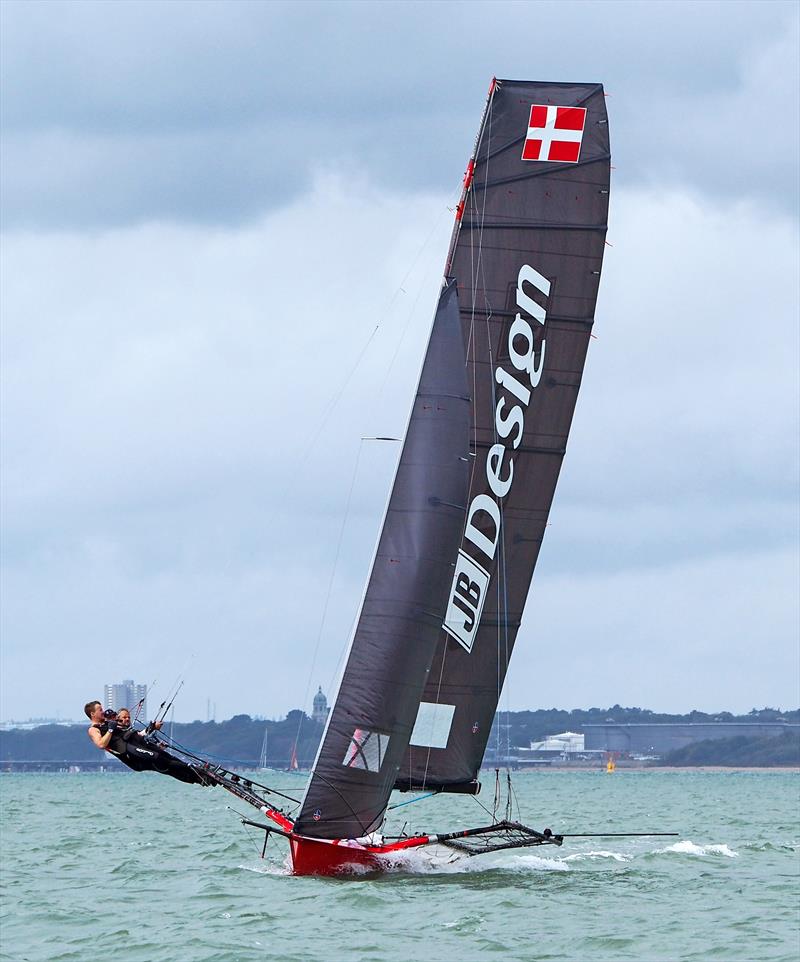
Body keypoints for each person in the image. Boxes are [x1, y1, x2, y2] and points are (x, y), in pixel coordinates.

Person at [84, 700, 211, 786]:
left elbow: (135, 733)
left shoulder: (108, 723)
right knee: (160, 759)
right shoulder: (93, 729)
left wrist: (152, 727)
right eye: (100, 709)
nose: (103, 711)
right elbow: (101, 744)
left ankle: (199, 779)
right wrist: (111, 729)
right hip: (131, 754)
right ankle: (195, 769)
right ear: (92, 713)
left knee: (167, 763)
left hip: (138, 746)